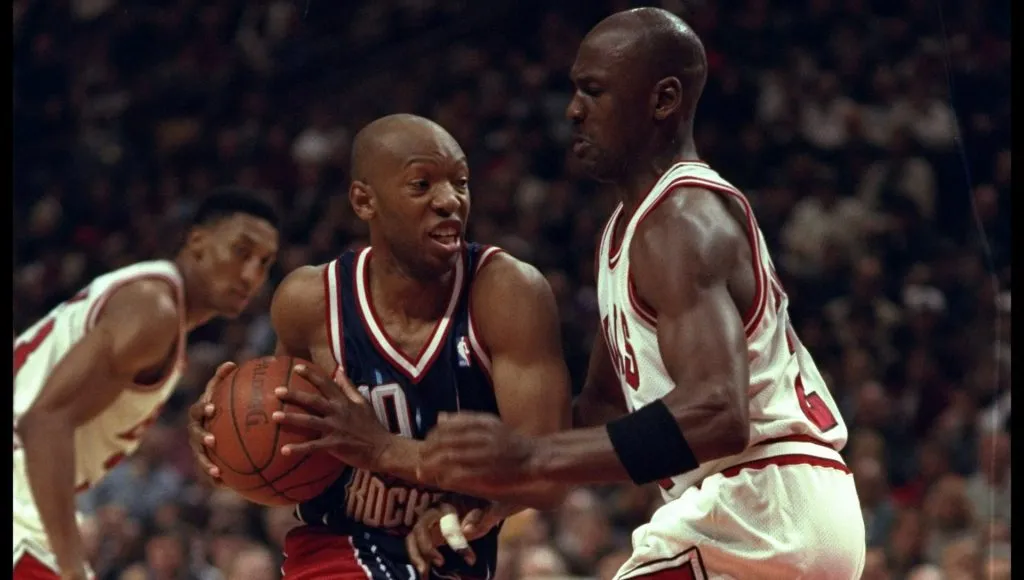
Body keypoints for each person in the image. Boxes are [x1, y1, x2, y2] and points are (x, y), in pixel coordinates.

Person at [414, 8, 866, 579]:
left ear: (663, 100)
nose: (573, 110)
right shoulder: (629, 231)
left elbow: (719, 413)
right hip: (780, 512)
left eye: (593, 91)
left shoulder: (680, 220)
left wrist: (531, 455)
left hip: (759, 505)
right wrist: (504, 491)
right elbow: (602, 407)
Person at [187, 114, 571, 579]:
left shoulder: (507, 292)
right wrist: (223, 444)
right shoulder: (310, 302)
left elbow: (547, 472)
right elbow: (281, 446)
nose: (450, 200)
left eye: (461, 182)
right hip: (338, 551)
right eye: (421, 184)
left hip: (451, 557)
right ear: (364, 200)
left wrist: (392, 453)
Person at [13, 188, 281, 580]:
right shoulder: (154, 310)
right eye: (241, 251)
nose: (251, 275)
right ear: (198, 241)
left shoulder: (152, 304)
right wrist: (71, 565)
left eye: (264, 264)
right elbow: (43, 422)